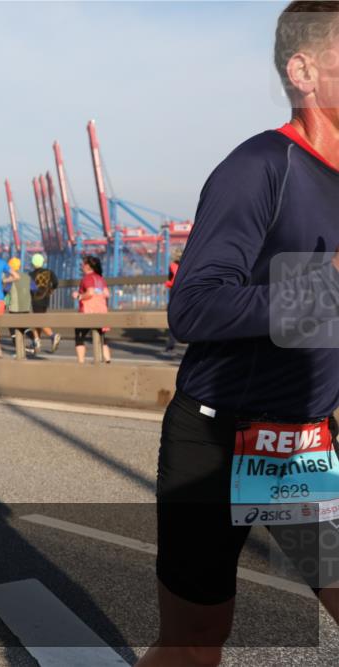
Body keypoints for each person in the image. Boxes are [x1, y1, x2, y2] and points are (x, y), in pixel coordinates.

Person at [139, 5, 339, 665]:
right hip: (220, 438)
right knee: (195, 642)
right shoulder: (260, 167)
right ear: (303, 70)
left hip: (301, 440)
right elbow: (192, 309)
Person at [72, 255, 112, 364]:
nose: (81, 265)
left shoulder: (87, 278)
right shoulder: (100, 278)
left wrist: (79, 296)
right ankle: (107, 361)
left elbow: (90, 293)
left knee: (79, 336)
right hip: (101, 311)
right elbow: (107, 294)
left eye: (83, 263)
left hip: (87, 311)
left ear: (88, 266)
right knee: (101, 338)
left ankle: (81, 363)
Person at [28, 253, 62, 354]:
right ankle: (37, 342)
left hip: (36, 299)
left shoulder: (31, 275)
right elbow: (56, 283)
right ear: (42, 262)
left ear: (33, 263)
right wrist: (51, 289)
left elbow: (30, 288)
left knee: (37, 320)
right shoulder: (49, 272)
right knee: (39, 319)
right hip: (45, 299)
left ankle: (53, 336)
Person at [5, 257, 34, 357]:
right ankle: (35, 340)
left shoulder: (11, 277)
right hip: (26, 306)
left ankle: (20, 350)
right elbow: (34, 289)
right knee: (25, 326)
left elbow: (5, 290)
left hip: (14, 307)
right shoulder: (27, 276)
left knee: (13, 329)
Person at [162, 249, 182, 354]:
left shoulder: (172, 266)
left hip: (174, 291)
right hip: (183, 291)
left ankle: (170, 345)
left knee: (172, 316)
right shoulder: (186, 265)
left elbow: (170, 278)